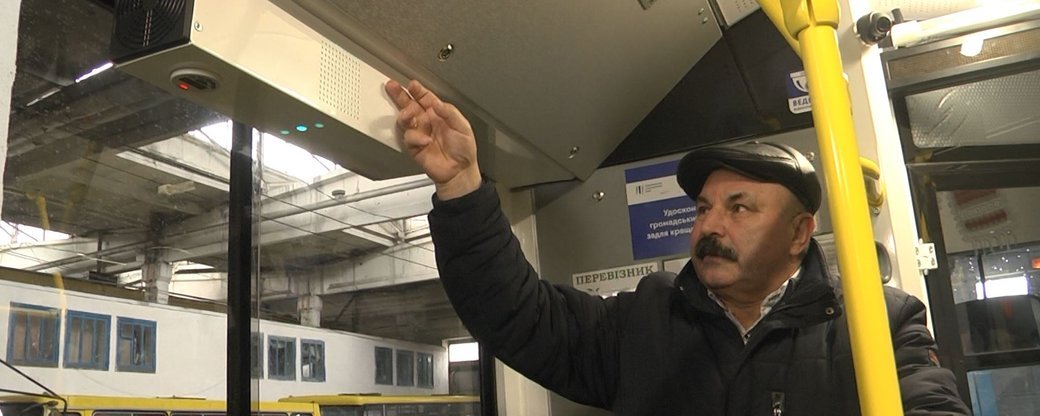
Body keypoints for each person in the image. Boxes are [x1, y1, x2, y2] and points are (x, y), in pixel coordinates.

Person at [384, 79, 969, 415]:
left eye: (739, 208)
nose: (710, 226)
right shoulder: (646, 320)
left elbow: (932, 404)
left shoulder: (878, 322)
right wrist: (461, 187)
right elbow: (517, 315)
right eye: (703, 208)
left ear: (798, 233)